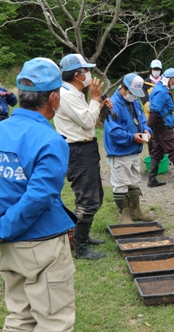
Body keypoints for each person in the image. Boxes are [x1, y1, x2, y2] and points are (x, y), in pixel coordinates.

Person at [0, 57, 76, 331]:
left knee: (19, 317)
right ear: (54, 98)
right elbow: (38, 197)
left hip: (8, 249)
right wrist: (4, 228)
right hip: (40, 244)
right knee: (53, 321)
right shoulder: (50, 140)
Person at [54, 53, 110, 260]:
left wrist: (101, 108)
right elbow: (87, 122)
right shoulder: (66, 94)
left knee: (95, 196)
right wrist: (95, 99)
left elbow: (92, 123)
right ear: (77, 75)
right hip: (77, 150)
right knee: (87, 199)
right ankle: (81, 247)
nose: (89, 74)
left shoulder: (75, 93)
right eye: (86, 70)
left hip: (86, 146)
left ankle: (82, 236)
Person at [104, 73, 153, 223]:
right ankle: (125, 216)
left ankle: (136, 211)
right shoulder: (112, 105)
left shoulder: (135, 102)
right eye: (131, 92)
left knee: (133, 181)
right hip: (119, 152)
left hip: (134, 150)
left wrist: (146, 131)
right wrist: (132, 137)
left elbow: (142, 120)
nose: (133, 96)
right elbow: (114, 132)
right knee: (120, 183)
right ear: (123, 88)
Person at [141, 59, 163, 154]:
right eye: (154, 69)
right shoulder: (145, 83)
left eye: (158, 69)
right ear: (150, 69)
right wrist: (153, 109)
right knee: (151, 136)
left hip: (162, 115)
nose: (156, 71)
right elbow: (144, 99)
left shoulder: (164, 81)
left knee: (162, 136)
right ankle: (152, 155)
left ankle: (163, 156)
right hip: (150, 114)